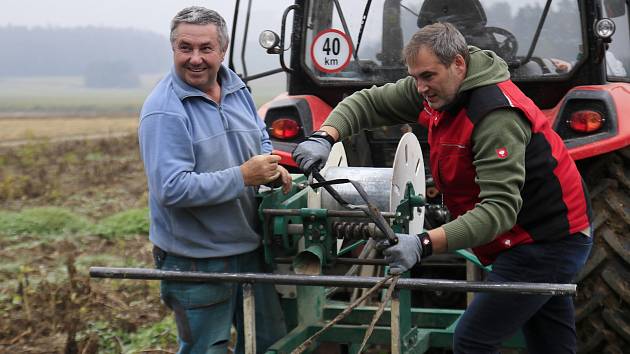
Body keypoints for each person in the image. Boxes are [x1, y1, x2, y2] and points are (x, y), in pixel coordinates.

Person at [293, 23, 592, 353]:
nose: (420, 87)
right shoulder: (437, 89)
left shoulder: (494, 116)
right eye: (416, 77)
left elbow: (499, 211)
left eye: (428, 76)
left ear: (459, 64)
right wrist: (326, 135)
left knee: (472, 339)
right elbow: (367, 102)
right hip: (526, 238)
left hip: (546, 241)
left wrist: (423, 243)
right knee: (551, 343)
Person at [138, 6, 289, 353]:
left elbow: (260, 136)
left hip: (249, 250)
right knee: (205, 349)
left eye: (205, 48)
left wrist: (269, 164)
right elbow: (171, 188)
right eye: (185, 48)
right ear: (173, 49)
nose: (195, 58)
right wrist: (243, 176)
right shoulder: (164, 110)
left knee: (269, 343)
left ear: (222, 50)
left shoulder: (236, 88)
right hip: (196, 259)